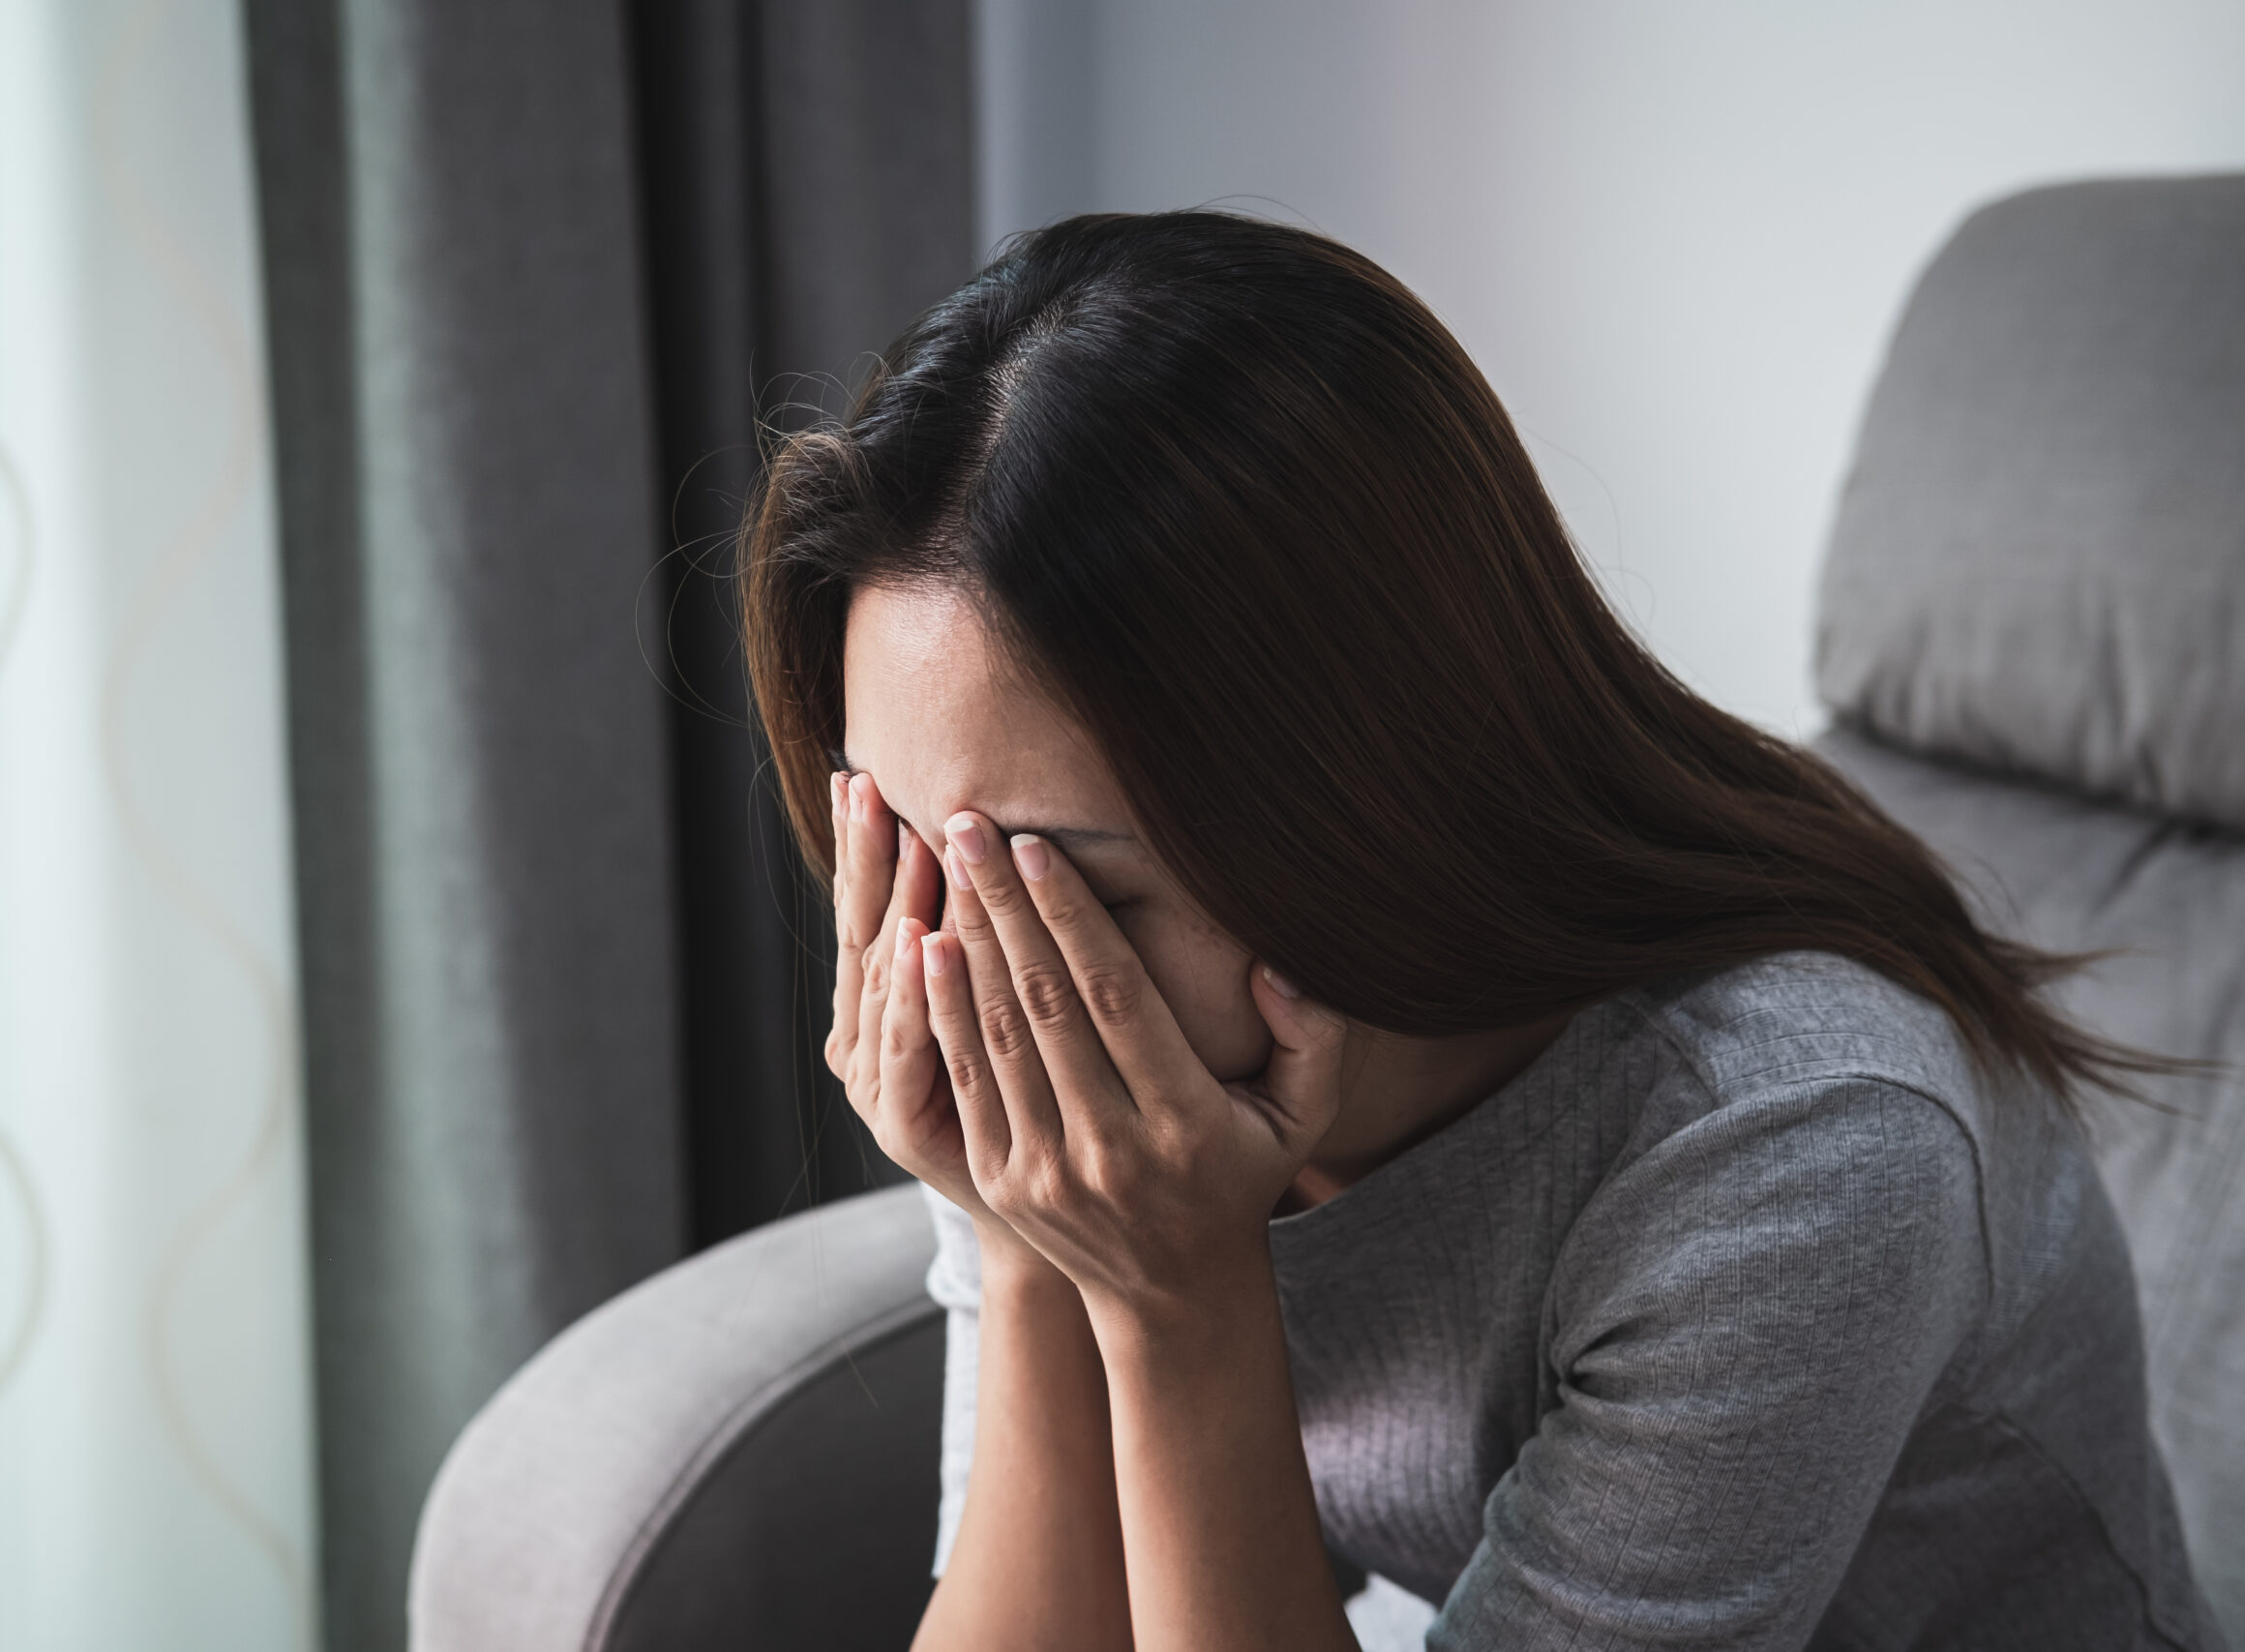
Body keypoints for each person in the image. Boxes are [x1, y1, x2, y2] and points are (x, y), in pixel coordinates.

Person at [734, 213, 2221, 1651]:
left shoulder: (1802, 1143)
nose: (960, 980)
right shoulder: (1027, 1035)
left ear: (1370, 801)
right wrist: (1026, 1247)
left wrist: (1179, 1303)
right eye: (909, 864)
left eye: (1075, 900)